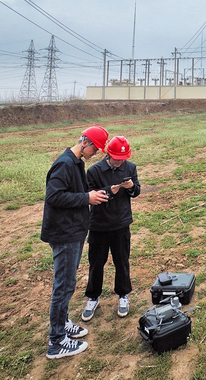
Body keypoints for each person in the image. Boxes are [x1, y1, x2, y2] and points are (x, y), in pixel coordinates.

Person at [40, 125, 109, 360]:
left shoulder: (77, 162)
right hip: (64, 233)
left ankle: (63, 323)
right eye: (95, 149)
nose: (96, 154)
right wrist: (86, 197)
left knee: (68, 283)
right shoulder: (65, 163)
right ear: (85, 142)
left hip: (75, 231)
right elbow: (54, 196)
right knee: (63, 286)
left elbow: (75, 193)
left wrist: (92, 195)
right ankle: (56, 342)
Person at [81, 135, 141, 320]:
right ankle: (93, 297)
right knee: (96, 263)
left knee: (122, 260)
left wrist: (131, 187)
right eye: (116, 159)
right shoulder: (94, 171)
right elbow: (87, 195)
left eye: (122, 159)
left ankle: (123, 295)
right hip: (99, 224)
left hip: (121, 223)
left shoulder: (130, 167)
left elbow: (136, 191)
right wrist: (109, 191)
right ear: (108, 154)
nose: (119, 162)